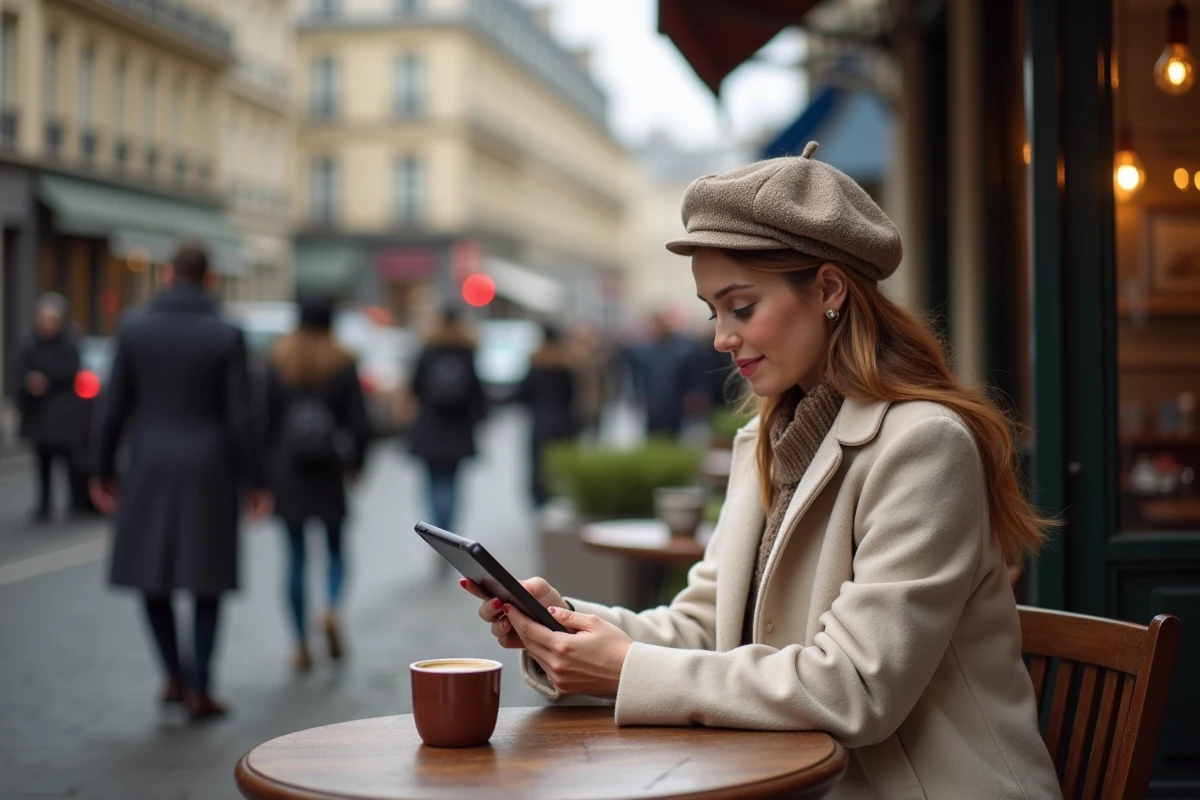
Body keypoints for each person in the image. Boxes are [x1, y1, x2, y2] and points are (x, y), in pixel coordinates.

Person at [462, 144, 1062, 799]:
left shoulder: (924, 445)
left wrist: (625, 668)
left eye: (741, 306)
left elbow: (856, 688)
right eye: (711, 310)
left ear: (830, 289)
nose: (721, 336)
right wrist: (568, 625)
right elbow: (704, 628)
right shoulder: (766, 439)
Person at [91, 243, 270, 722]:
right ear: (210, 280)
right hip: (209, 467)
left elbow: (113, 407)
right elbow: (242, 417)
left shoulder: (134, 327)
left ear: (167, 276)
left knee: (153, 574)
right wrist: (255, 481)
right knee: (206, 579)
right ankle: (199, 686)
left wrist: (102, 469)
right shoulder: (226, 333)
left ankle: (172, 672)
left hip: (149, 462)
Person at [263, 298, 371, 671]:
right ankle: (331, 608)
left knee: (294, 557)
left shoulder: (277, 360)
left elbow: (262, 421)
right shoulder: (342, 362)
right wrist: (357, 464)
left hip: (287, 471)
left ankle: (298, 642)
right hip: (328, 469)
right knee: (336, 549)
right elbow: (358, 422)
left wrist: (262, 476)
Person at [407, 308, 486, 555]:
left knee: (432, 483)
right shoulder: (467, 352)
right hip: (458, 430)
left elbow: (415, 387)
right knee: (451, 483)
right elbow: (477, 392)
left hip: (430, 428)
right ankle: (448, 533)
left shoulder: (427, 351)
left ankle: (436, 532)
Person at [15, 293, 89, 521]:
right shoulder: (30, 344)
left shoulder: (69, 343)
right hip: (39, 414)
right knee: (42, 463)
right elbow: (19, 371)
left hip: (63, 414)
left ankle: (76, 502)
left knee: (70, 461)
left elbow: (72, 371)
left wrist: (46, 379)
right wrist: (29, 381)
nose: (47, 325)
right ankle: (44, 505)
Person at [516, 325, 577, 507]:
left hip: (540, 420)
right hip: (562, 420)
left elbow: (523, 393)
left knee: (538, 463)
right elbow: (571, 395)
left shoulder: (536, 363)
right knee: (558, 464)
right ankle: (557, 495)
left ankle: (539, 498)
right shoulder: (565, 364)